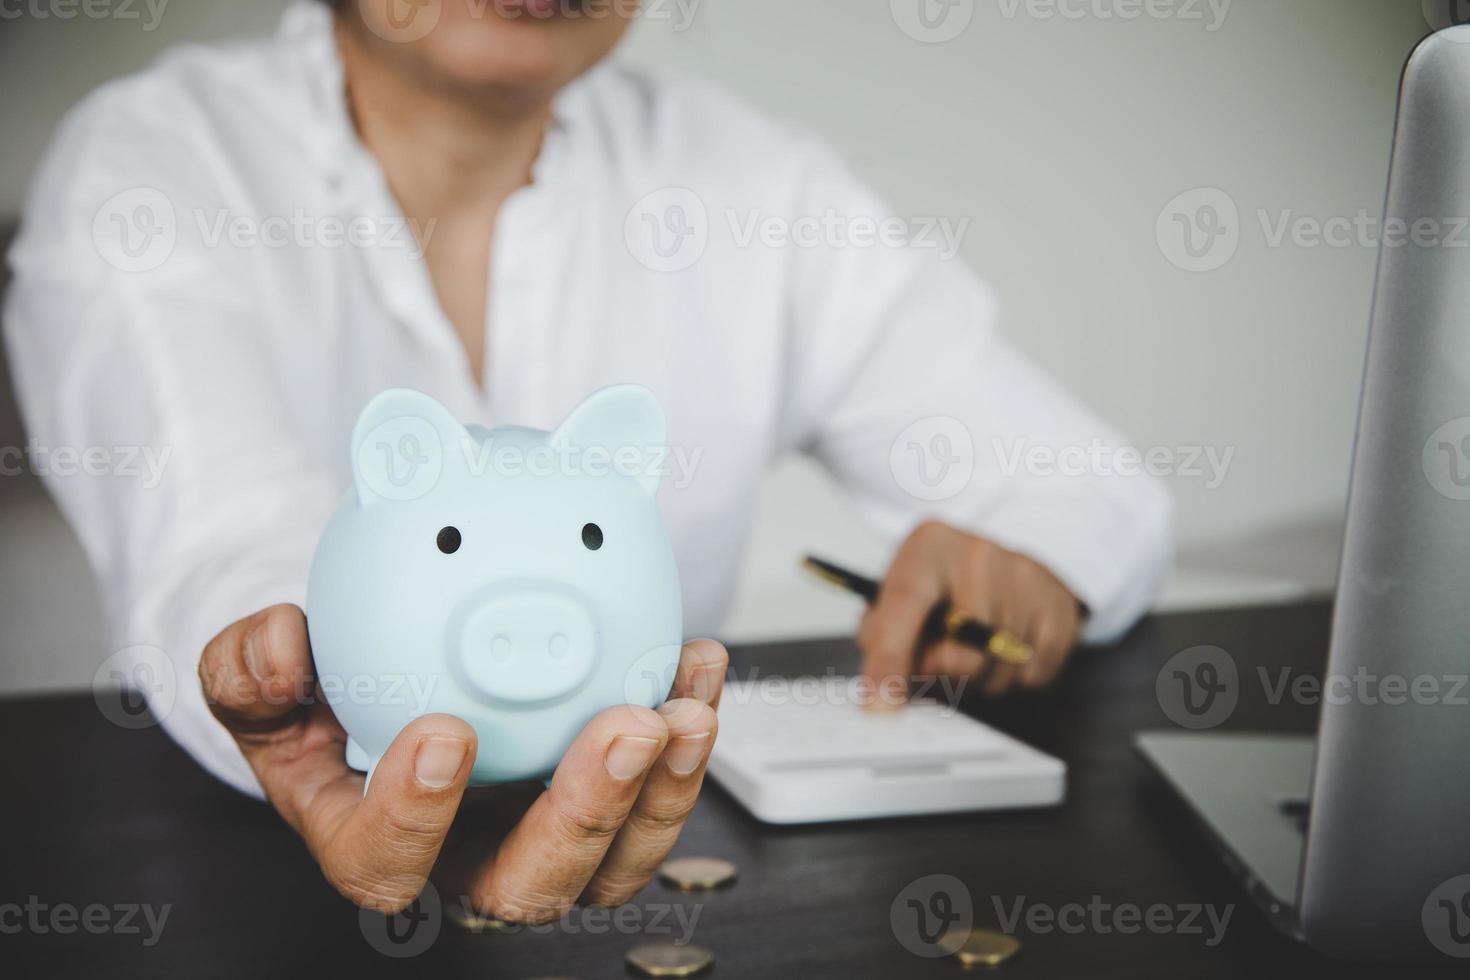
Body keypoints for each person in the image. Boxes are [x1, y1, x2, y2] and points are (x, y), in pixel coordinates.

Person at [2, 0, 1172, 917]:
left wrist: (1026, 557)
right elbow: (225, 526)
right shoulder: (157, 163)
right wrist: (311, 687)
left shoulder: (750, 180)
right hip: (241, 878)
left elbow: (1088, 489)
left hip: (654, 850)